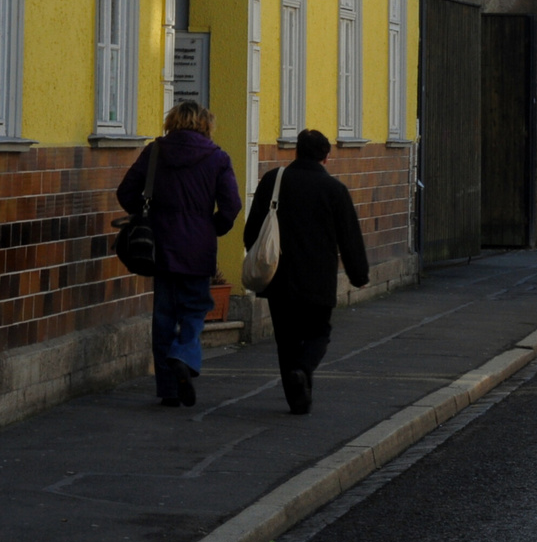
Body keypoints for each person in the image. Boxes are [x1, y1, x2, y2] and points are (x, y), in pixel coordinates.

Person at [117, 101, 241, 408]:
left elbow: (125, 192)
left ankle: (169, 391)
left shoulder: (155, 152)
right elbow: (231, 206)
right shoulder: (217, 157)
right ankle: (184, 353)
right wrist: (212, 228)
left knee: (163, 316)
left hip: (160, 244)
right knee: (195, 308)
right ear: (205, 124)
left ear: (172, 121)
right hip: (198, 246)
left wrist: (147, 215)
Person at [243, 128, 370, 415]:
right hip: (318, 280)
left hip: (279, 278)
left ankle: (296, 399)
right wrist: (359, 275)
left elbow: (252, 231)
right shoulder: (334, 191)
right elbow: (349, 238)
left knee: (286, 339)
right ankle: (303, 369)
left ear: (296, 151)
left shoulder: (273, 181)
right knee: (318, 332)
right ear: (326, 158)